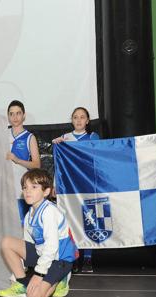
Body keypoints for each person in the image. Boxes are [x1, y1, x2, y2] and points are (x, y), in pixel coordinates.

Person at [0, 168, 77, 297]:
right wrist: (16, 276)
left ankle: (60, 279)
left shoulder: (49, 212)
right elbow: (28, 244)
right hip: (44, 256)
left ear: (46, 191)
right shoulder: (29, 215)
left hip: (60, 259)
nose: (28, 191)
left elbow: (52, 247)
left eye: (34, 187)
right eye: (25, 187)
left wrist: (39, 274)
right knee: (7, 242)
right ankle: (22, 284)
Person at [52, 107, 99, 273]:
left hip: (87, 185)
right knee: (71, 222)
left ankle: (88, 259)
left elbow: (97, 159)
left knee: (89, 220)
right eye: (75, 117)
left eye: (82, 117)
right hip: (70, 187)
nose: (78, 120)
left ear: (87, 121)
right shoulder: (65, 139)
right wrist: (54, 184)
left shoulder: (93, 137)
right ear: (71, 120)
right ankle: (73, 258)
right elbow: (59, 165)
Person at [6, 100, 41, 221]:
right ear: (8, 116)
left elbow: (37, 165)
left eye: (18, 113)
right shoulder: (2, 134)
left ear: (24, 115)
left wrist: (17, 160)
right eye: (11, 114)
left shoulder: (29, 137)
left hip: (20, 187)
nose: (15, 117)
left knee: (20, 224)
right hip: (3, 187)